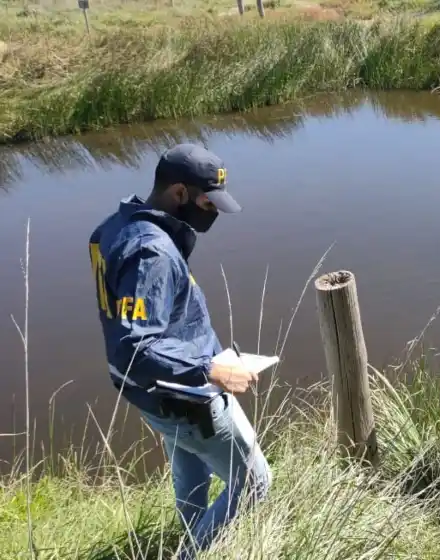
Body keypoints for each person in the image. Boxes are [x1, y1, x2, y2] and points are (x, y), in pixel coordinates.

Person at [88, 143, 272, 558]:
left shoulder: (116, 226)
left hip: (155, 395)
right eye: (209, 203)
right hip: (186, 396)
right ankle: (190, 554)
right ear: (179, 193)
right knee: (254, 481)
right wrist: (210, 369)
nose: (214, 213)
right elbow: (136, 346)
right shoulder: (151, 251)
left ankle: (195, 539)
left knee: (191, 474)